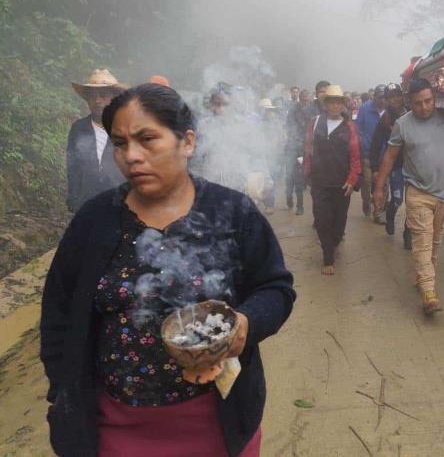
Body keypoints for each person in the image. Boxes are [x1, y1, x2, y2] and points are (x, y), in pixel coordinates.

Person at [41, 83, 296, 457]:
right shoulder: (94, 221)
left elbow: (275, 288)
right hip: (114, 429)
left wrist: (245, 325)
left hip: (215, 424)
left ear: (187, 142)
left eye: (148, 139)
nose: (132, 156)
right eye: (120, 143)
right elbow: (59, 315)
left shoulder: (232, 212)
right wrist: (64, 394)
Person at [373, 78, 444, 315]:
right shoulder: (403, 124)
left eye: (428, 101)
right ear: (410, 102)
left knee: (435, 243)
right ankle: (429, 293)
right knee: (422, 243)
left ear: (435, 98)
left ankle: (423, 276)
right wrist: (379, 188)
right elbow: (389, 157)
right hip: (418, 193)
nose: (424, 107)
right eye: (418, 103)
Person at [303, 85, 361, 276]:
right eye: (331, 101)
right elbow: (308, 148)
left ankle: (333, 243)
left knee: (339, 222)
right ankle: (328, 257)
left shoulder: (349, 127)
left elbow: (355, 156)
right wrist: (306, 173)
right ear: (325, 104)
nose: (335, 105)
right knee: (321, 220)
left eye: (338, 101)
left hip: (341, 184)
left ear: (343, 104)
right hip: (319, 182)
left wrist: (352, 180)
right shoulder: (315, 122)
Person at [66, 69, 128, 213]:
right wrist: (74, 198)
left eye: (103, 96)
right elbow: (73, 167)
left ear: (113, 98)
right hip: (87, 201)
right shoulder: (79, 128)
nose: (97, 101)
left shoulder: (126, 129)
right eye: (92, 97)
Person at [369, 83, 411, 246]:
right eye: (391, 97)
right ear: (386, 100)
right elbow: (375, 144)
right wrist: (374, 169)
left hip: (413, 165)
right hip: (395, 165)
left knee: (413, 202)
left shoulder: (411, 113)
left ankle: (408, 235)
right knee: (398, 199)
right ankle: (390, 216)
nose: (395, 100)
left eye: (397, 95)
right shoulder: (385, 119)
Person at [357, 84, 388, 222]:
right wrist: (362, 145)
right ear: (374, 97)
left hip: (385, 154)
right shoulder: (365, 108)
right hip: (368, 153)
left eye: (385, 97)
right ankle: (366, 201)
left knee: (383, 183)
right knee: (367, 182)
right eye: (380, 97)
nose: (382, 100)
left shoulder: (390, 110)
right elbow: (358, 129)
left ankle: (378, 211)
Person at [284, 90, 311, 215]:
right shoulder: (293, 110)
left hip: (303, 148)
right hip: (291, 146)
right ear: (300, 98)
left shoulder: (311, 111)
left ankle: (300, 206)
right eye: (304, 99)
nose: (305, 101)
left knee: (299, 177)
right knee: (289, 175)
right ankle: (289, 198)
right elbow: (288, 126)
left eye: (307, 99)